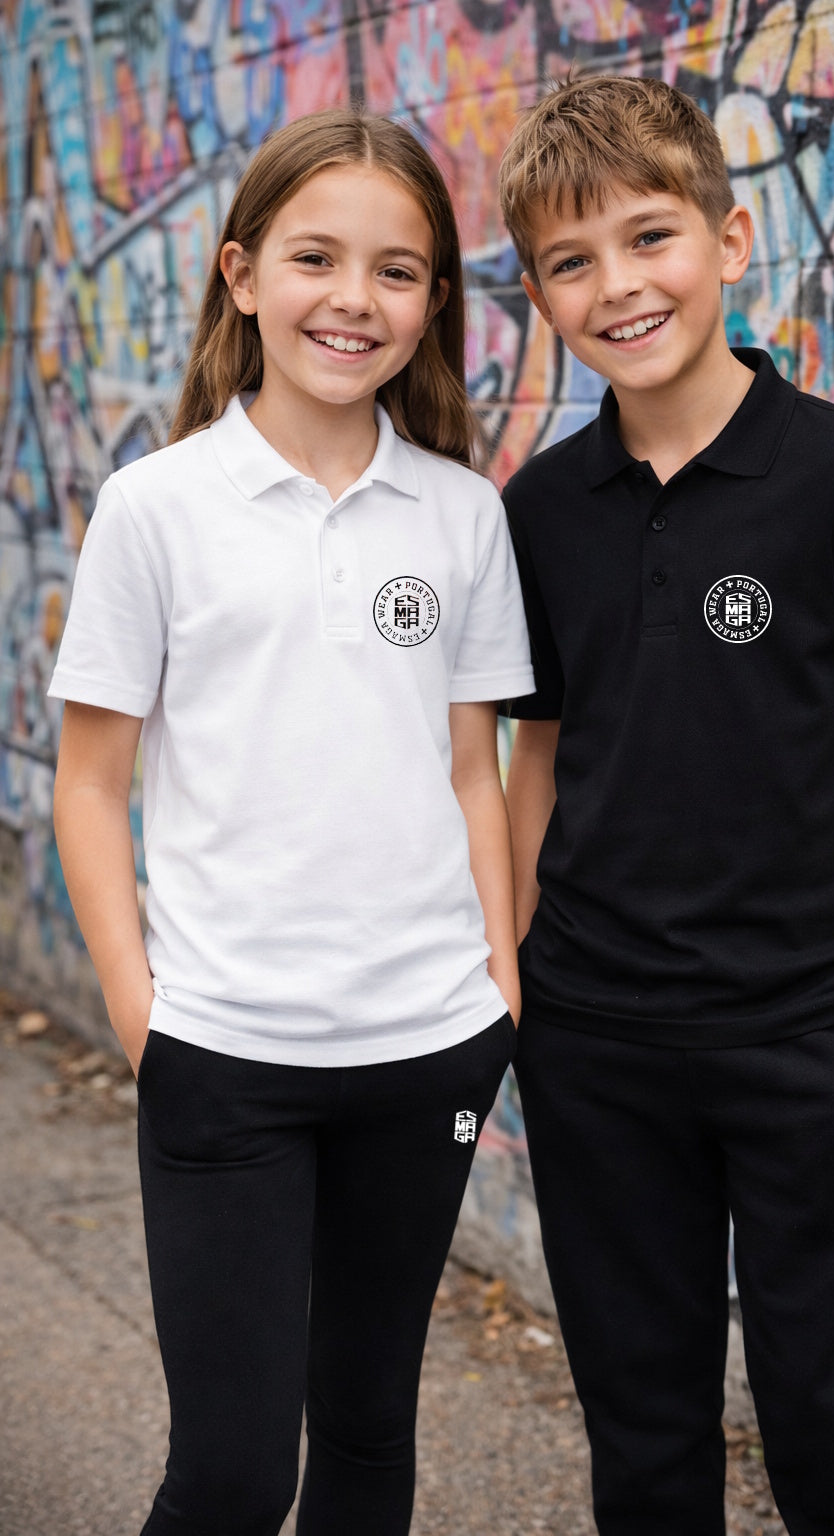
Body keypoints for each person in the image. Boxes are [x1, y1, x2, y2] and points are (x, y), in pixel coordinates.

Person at [497, 74, 834, 1536]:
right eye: (571, 261)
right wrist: (522, 984)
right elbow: (538, 758)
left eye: (649, 237)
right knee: (643, 1433)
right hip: (596, 1042)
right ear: (540, 293)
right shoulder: (539, 509)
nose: (617, 286)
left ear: (730, 237)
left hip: (810, 1038)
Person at [49, 108, 533, 1536]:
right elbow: (91, 783)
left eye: (398, 270)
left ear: (431, 303)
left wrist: (498, 992)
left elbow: (475, 770)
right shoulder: (154, 509)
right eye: (316, 258)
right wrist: (144, 1020)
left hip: (429, 1048)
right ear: (242, 273)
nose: (354, 298)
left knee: (370, 1440)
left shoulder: (462, 515)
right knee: (233, 1474)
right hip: (223, 1056)